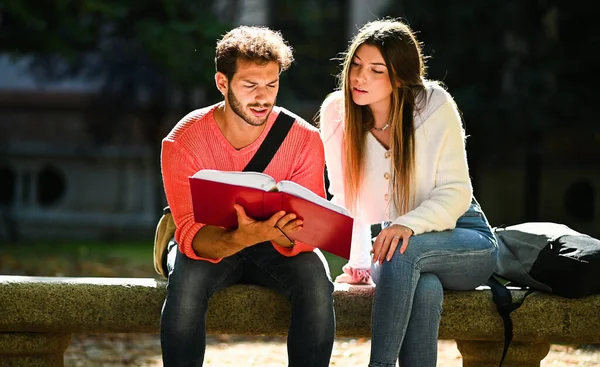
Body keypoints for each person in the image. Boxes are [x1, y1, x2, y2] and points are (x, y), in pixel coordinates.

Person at [319, 19, 498, 366]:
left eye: (375, 70)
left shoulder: (433, 105)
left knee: (398, 251)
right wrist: (358, 263)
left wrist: (408, 225)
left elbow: (456, 191)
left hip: (465, 239)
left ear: (399, 77)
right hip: (399, 249)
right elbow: (344, 195)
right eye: (355, 65)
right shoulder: (336, 112)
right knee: (423, 287)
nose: (359, 78)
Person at [160, 26, 335, 367]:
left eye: (272, 85)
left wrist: (282, 232)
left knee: (316, 278)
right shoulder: (182, 142)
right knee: (187, 282)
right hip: (213, 243)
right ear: (222, 83)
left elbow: (307, 231)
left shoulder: (304, 139)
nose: (263, 97)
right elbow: (190, 235)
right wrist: (240, 237)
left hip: (274, 246)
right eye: (250, 85)